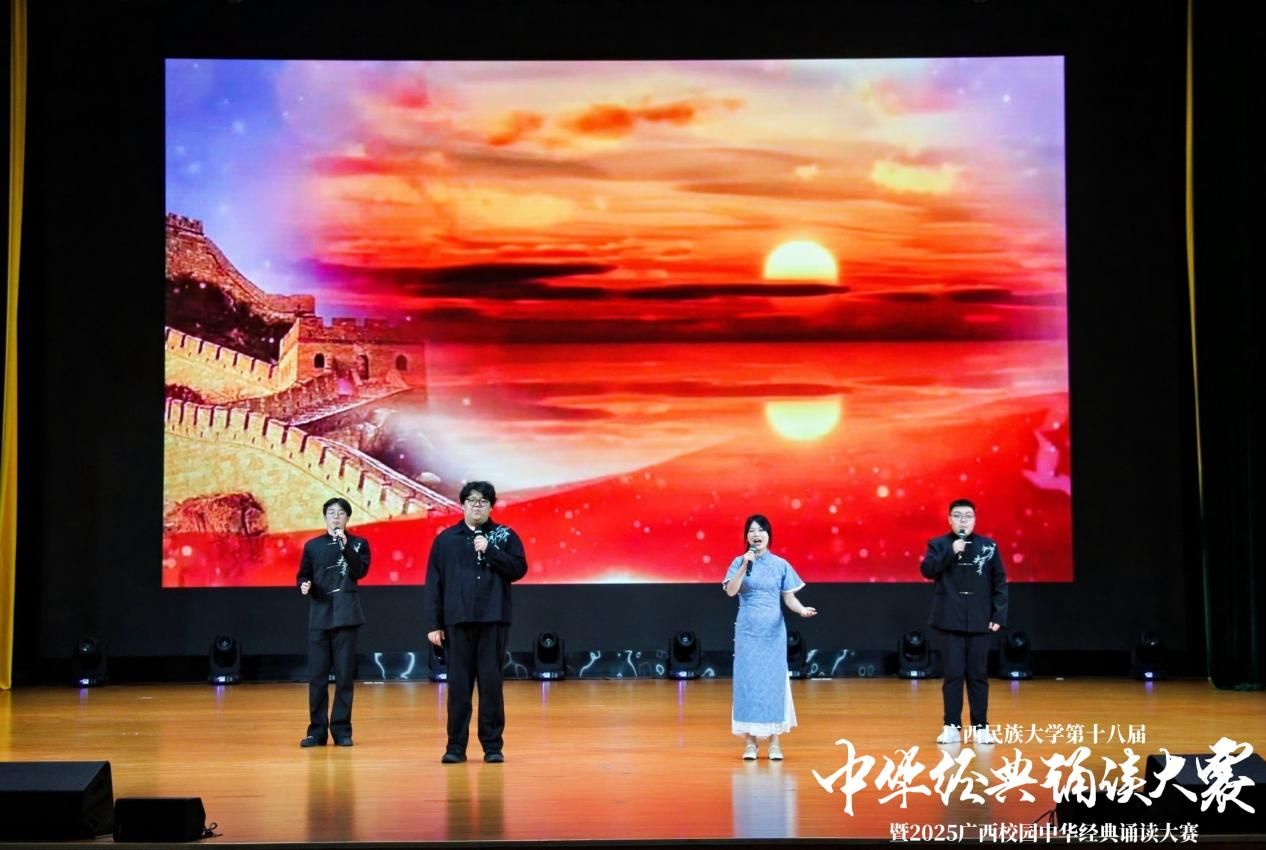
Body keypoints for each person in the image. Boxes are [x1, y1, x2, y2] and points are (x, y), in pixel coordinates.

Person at [424, 481, 529, 764]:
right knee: (458, 687)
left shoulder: (504, 535)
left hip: (493, 619)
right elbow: (434, 583)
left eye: (483, 501)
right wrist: (434, 624)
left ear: (491, 506)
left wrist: (491, 550)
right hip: (457, 622)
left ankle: (492, 747)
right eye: (472, 501)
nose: (477, 506)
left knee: (491, 685)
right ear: (463, 505)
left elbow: (519, 569)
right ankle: (455, 747)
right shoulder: (446, 540)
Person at [722, 514, 817, 760]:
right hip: (747, 633)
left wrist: (801, 610)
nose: (757, 534)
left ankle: (775, 742)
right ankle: (750, 743)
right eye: (752, 530)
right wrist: (745, 565)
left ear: (768, 535)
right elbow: (731, 591)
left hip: (773, 633)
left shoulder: (780, 565)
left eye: (761, 530)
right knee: (749, 684)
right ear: (746, 537)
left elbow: (789, 598)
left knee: (773, 684)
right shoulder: (739, 562)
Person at [919, 498, 1008, 745]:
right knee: (953, 675)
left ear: (975, 519)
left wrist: (998, 615)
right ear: (949, 519)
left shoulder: (989, 546)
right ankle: (951, 726)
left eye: (968, 516)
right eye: (958, 516)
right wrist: (951, 551)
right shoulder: (938, 544)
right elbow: (927, 571)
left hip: (980, 620)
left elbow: (1000, 582)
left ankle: (981, 727)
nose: (963, 520)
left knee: (978, 675)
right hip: (949, 620)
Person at [297, 497, 371, 747]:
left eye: (340, 513)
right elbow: (303, 575)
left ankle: (341, 730)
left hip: (346, 617)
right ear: (325, 517)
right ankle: (317, 731)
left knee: (344, 677)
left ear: (347, 518)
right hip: (319, 617)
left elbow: (360, 571)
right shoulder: (312, 546)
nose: (336, 517)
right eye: (331, 513)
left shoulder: (359, 544)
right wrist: (304, 585)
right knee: (317, 678)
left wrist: (346, 546)